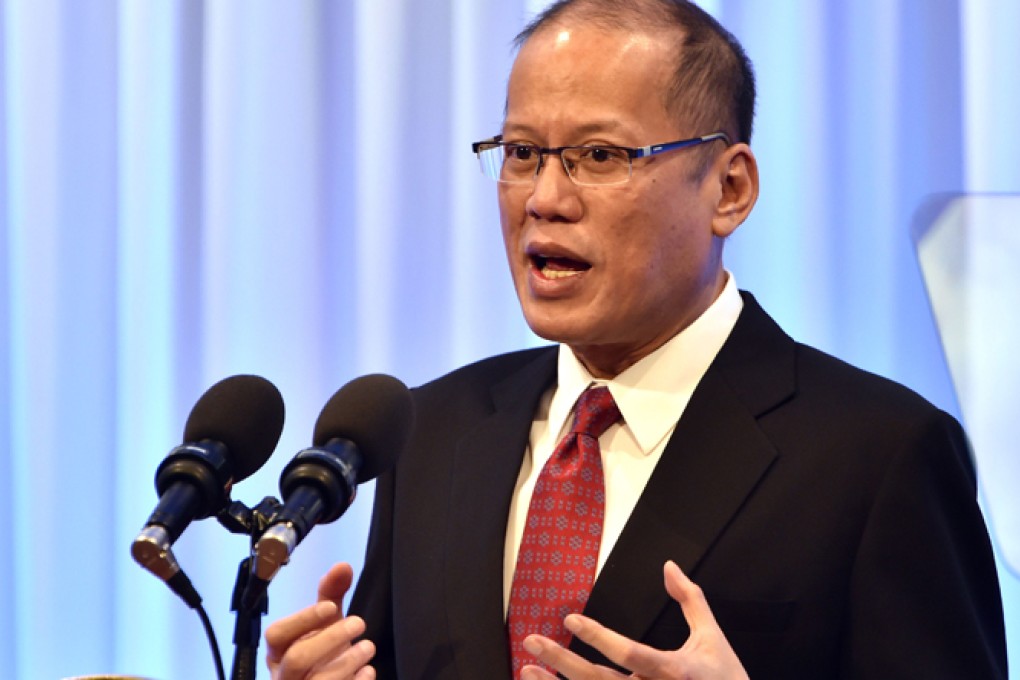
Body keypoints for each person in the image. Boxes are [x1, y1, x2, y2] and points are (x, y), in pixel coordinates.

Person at [264, 1, 1008, 678]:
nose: (546, 200)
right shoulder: (431, 431)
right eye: (522, 153)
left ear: (729, 190)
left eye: (599, 156)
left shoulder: (880, 456)